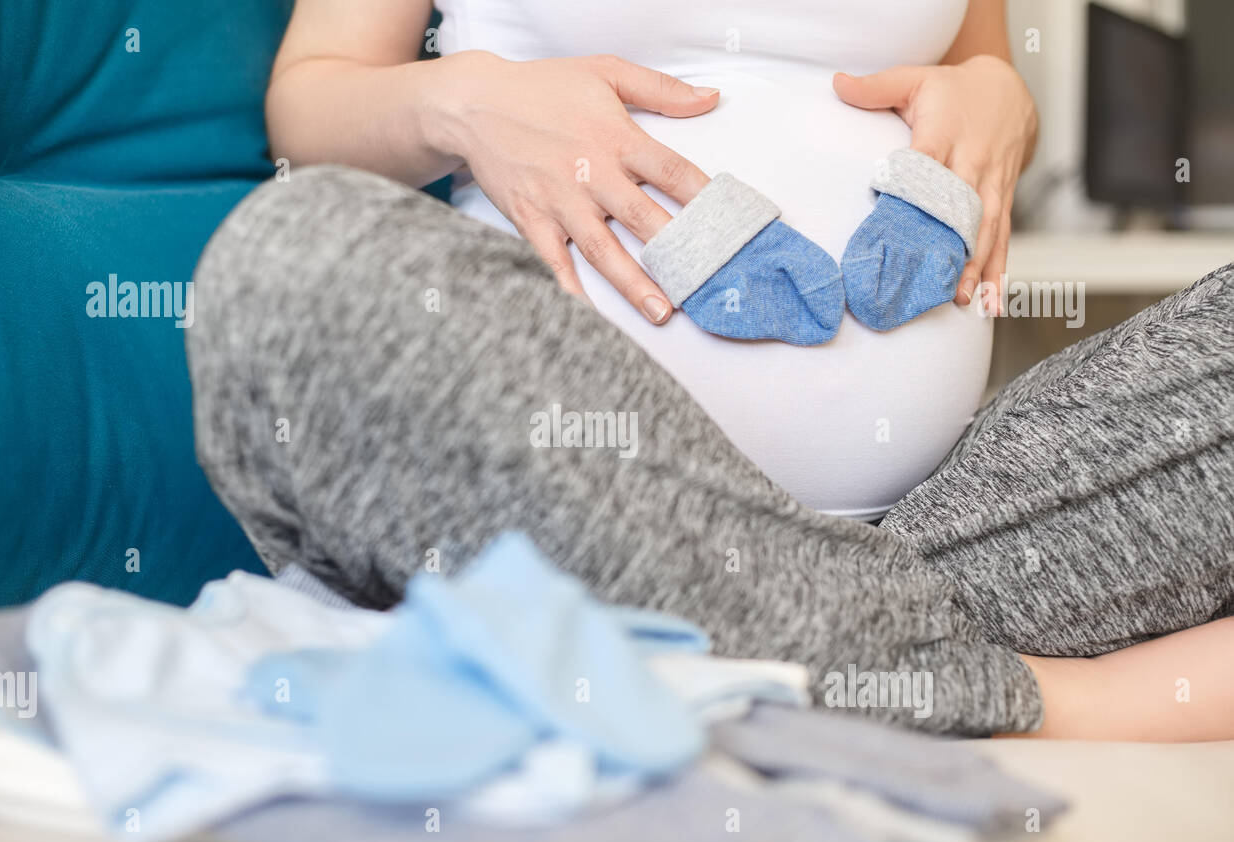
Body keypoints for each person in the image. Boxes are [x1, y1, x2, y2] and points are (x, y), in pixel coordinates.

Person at [185, 0, 1234, 739]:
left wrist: (998, 101)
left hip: (954, 522)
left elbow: (980, 62)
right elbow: (311, 108)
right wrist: (466, 102)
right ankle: (1001, 687)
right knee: (291, 253)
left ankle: (756, 654)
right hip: (568, 514)